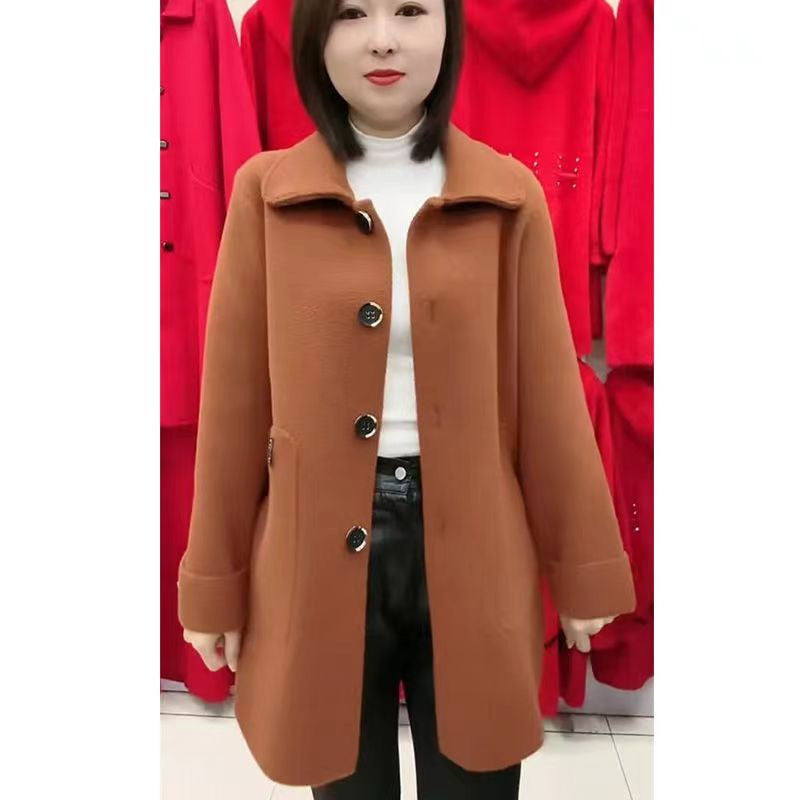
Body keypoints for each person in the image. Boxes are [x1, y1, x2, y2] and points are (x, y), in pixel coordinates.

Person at [178, 1, 636, 797]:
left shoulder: (507, 195)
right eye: (353, 13)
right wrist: (214, 582)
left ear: (450, 27)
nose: (383, 39)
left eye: (411, 10)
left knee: (475, 777)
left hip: (476, 547)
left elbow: (550, 400)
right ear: (315, 33)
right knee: (343, 777)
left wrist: (584, 569)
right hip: (315, 553)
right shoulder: (267, 194)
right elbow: (234, 408)